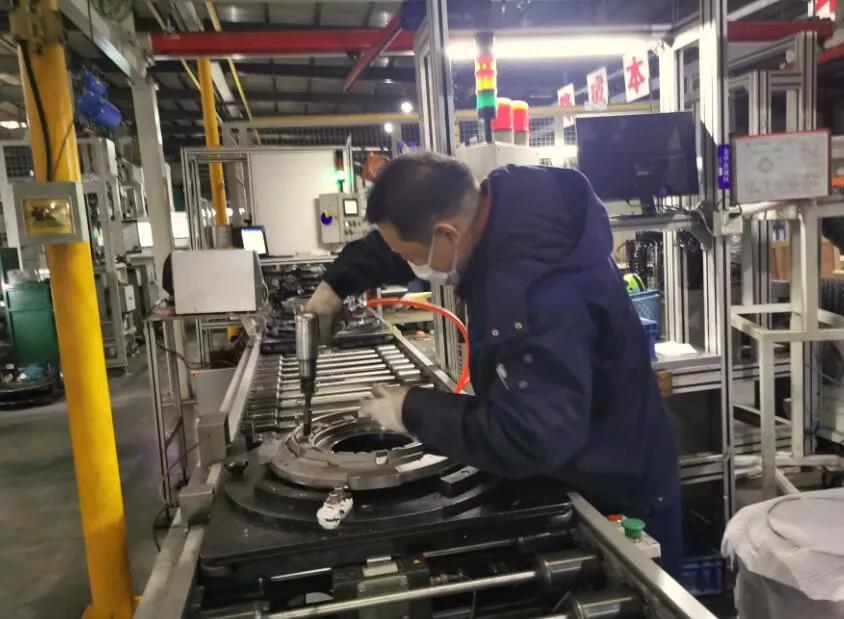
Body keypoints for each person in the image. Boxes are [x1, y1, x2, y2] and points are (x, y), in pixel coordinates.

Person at [305, 153, 682, 577]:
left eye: (409, 256)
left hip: (615, 491)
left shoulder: (534, 295)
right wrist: (336, 283)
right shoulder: (504, 202)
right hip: (581, 461)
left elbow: (531, 435)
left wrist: (411, 410)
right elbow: (402, 239)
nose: (409, 266)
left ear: (447, 235)